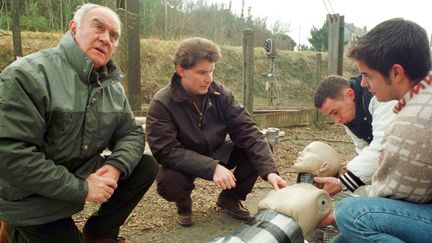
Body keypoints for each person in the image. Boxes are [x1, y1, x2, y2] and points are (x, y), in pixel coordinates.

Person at [0, 3, 158, 243]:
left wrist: (115, 166)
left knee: (144, 166)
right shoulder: (27, 75)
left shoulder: (112, 87)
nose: (106, 39)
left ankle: (100, 232)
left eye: (113, 35)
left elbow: (132, 133)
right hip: (29, 195)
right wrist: (83, 189)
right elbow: (11, 155)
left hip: (77, 171)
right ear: (73, 28)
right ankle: (12, 227)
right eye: (98, 27)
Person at [146, 37, 287, 227]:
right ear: (181, 70)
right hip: (183, 159)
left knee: (261, 147)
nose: (209, 79)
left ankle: (230, 198)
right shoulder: (162, 102)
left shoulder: (220, 94)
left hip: (216, 150)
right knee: (170, 182)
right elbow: (166, 151)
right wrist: (211, 167)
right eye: (201, 72)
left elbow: (248, 131)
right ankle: (184, 204)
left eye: (211, 71)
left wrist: (270, 172)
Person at [320, 18, 432, 242]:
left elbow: (390, 194)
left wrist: (343, 186)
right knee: (342, 239)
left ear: (396, 73)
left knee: (351, 213)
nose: (363, 83)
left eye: (367, 75)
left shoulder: (414, 121)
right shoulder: (418, 97)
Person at [313, 75, 396, 194]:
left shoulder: (380, 96)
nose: (336, 121)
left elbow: (383, 146)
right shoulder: (349, 115)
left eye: (335, 112)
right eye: (330, 116)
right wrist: (355, 164)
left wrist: (344, 181)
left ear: (350, 94)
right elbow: (364, 149)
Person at [258, 141, 342, 237]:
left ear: (324, 167)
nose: (300, 153)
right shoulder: (289, 190)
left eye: (308, 151)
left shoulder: (317, 197)